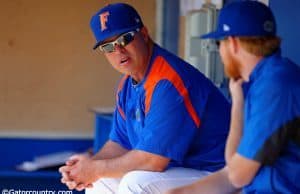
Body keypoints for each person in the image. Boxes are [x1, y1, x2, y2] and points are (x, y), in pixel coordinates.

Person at [59, 3, 231, 194]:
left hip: (218, 174)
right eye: (108, 47)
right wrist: (85, 169)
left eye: (125, 39)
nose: (118, 51)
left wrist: (95, 169)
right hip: (182, 172)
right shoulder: (127, 85)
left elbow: (153, 161)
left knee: (136, 182)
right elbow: (119, 143)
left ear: (144, 33)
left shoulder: (168, 80)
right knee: (100, 182)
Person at [166, 1, 300, 194]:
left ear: (233, 43)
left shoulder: (275, 85)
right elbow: (233, 169)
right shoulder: (264, 80)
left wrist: (237, 104)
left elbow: (237, 176)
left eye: (220, 43)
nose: (220, 52)